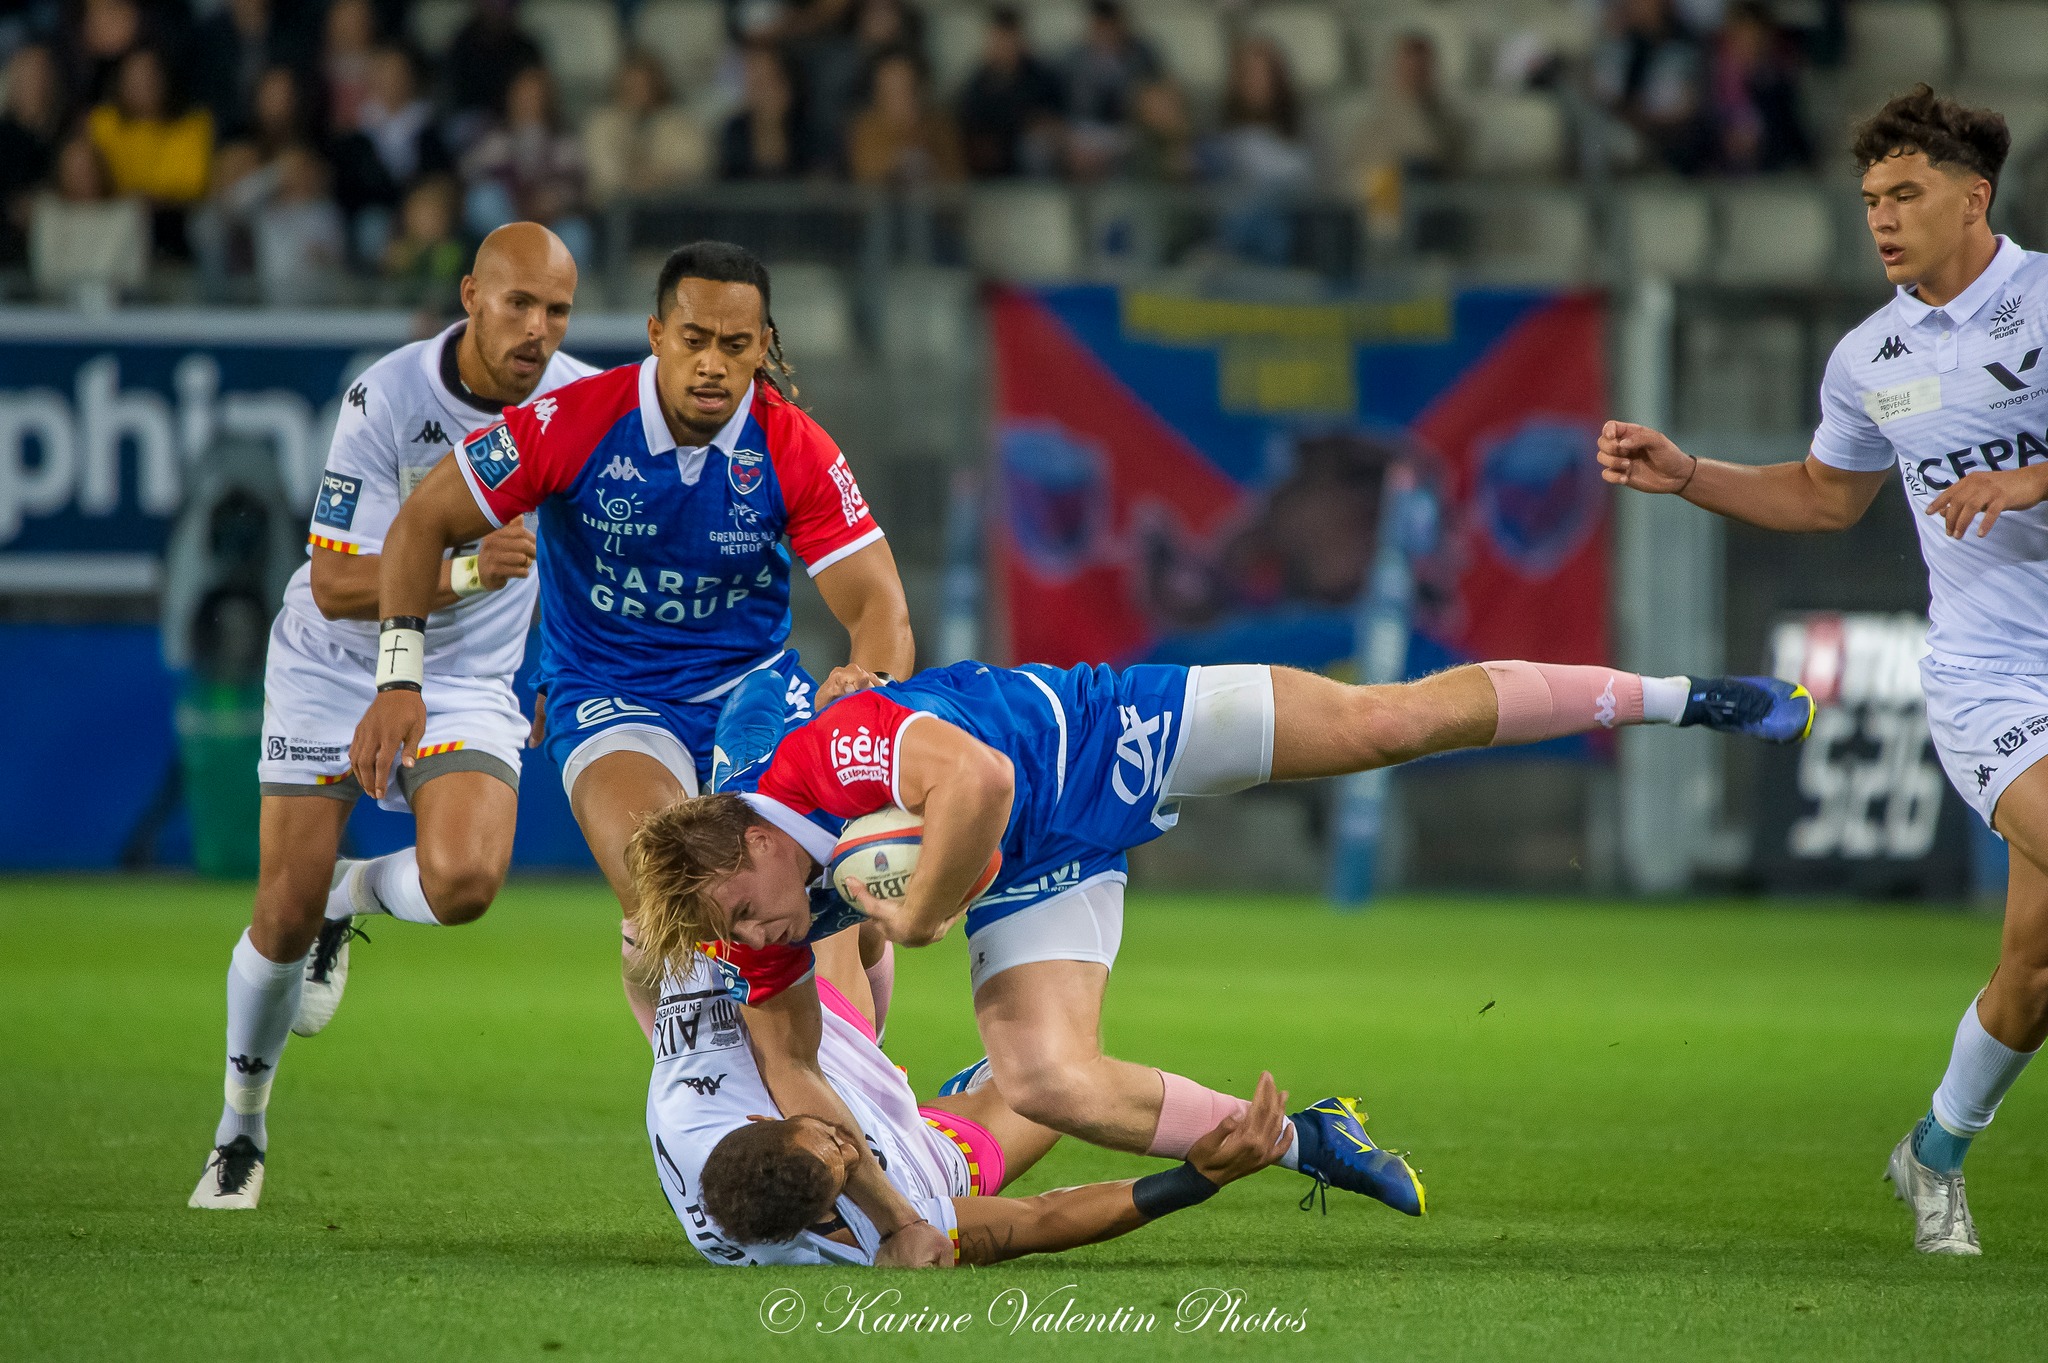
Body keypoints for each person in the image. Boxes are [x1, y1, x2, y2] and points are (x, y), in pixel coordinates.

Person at [627, 654, 1814, 1216]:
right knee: (1044, 1079)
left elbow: (979, 781)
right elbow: (788, 1064)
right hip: (1035, 871)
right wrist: (886, 1209)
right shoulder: (755, 914)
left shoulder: (826, 756)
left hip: (1103, 734)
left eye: (744, 910)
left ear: (750, 841)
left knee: (1379, 724)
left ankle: (1684, 696)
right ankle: (1307, 1138)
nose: (756, 933)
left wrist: (919, 913)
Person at [347, 240, 927, 1263]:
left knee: (813, 912)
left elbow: (877, 602)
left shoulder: (789, 445)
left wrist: (863, 683)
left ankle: (844, 1126)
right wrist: (398, 676)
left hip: (752, 692)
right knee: (678, 886)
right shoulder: (574, 423)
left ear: (762, 349)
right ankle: (779, 1137)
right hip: (608, 697)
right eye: (693, 338)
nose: (711, 362)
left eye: (735, 345)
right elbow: (422, 523)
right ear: (657, 335)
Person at [1596, 86, 2045, 1257]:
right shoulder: (1870, 357)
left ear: (1970, 198)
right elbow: (1820, 496)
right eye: (1866, 201)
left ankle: (1932, 1152)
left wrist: (2030, 480)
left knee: (2030, 977)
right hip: (1991, 675)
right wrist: (1686, 470)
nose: (1881, 220)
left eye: (1903, 195)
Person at [188, 223, 594, 1212]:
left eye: (556, 311)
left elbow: (594, 551)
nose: (537, 330)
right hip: (334, 664)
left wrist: (564, 666)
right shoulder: (386, 396)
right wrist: (459, 573)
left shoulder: (582, 402)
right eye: (517, 304)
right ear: (469, 296)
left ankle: (352, 894)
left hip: (467, 679)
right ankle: (241, 1125)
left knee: (462, 881)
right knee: (276, 920)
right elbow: (330, 583)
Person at [651, 919, 1292, 1265]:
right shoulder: (870, 1241)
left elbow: (643, 974)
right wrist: (1197, 1178)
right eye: (845, 1168)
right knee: (1062, 1091)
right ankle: (985, 1086)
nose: (853, 1151)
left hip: (827, 1038)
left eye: (830, 1137)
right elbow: (1040, 1221)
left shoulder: (684, 1103)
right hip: (935, 1155)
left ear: (763, 1115)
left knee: (802, 911)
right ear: (826, 1218)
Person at [583, 52, 711, 205]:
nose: (639, 91)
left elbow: (694, 164)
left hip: (671, 210)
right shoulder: (601, 124)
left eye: (644, 84)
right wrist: (635, 181)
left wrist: (657, 177)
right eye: (632, 85)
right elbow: (604, 177)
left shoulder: (678, 123)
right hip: (614, 215)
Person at [957, 6, 1064, 179]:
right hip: (993, 159)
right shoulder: (976, 84)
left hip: (1031, 155)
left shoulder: (1042, 77)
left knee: (1036, 148)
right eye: (1000, 39)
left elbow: (1056, 119)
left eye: (1010, 39)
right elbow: (972, 128)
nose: (1005, 47)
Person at [846, 50, 963, 188]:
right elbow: (865, 175)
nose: (901, 97)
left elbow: (956, 177)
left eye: (907, 88)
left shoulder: (940, 126)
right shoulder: (866, 128)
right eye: (892, 91)